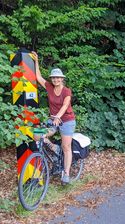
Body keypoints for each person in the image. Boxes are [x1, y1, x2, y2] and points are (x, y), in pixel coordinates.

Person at [32, 51, 76, 185]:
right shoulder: (50, 87)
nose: (55, 80)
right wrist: (36, 61)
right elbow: (38, 77)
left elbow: (65, 105)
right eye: (53, 78)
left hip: (67, 120)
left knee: (66, 146)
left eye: (58, 78)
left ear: (62, 79)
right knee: (37, 136)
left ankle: (66, 174)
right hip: (53, 119)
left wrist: (58, 116)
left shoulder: (66, 91)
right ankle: (53, 147)